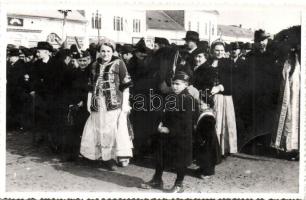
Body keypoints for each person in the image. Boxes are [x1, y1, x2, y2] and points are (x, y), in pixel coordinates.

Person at [80, 42, 133, 170]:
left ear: (113, 52)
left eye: (108, 51)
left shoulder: (119, 63)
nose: (105, 54)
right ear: (99, 52)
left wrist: (125, 104)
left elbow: (126, 85)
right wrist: (89, 101)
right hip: (97, 102)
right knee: (97, 127)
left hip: (113, 103)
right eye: (103, 51)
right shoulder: (94, 65)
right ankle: (97, 155)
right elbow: (90, 85)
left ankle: (110, 158)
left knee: (111, 130)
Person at [140, 71, 195, 193]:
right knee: (160, 156)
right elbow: (164, 113)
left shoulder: (188, 99)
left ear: (186, 84)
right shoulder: (171, 96)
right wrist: (161, 123)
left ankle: (179, 184)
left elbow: (186, 122)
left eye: (178, 84)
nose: (174, 86)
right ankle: (157, 179)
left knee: (180, 160)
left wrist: (170, 129)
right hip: (166, 134)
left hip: (181, 136)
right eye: (173, 83)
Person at [240, 29, 281, 154]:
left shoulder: (274, 55)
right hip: (254, 94)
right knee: (254, 119)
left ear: (267, 40)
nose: (262, 43)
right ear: (255, 42)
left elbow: (276, 76)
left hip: (269, 94)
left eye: (264, 40)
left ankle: (266, 145)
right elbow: (246, 76)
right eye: (259, 41)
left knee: (268, 119)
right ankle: (252, 145)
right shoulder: (250, 56)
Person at [197, 40, 237, 157]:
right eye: (217, 50)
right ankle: (212, 149)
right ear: (212, 51)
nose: (219, 53)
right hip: (209, 98)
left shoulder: (228, 64)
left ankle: (222, 149)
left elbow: (234, 82)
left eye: (222, 50)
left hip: (224, 98)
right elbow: (199, 81)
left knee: (223, 123)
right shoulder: (206, 64)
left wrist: (220, 87)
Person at [31, 42, 63, 152]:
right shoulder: (36, 64)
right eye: (37, 51)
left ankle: (55, 143)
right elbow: (34, 80)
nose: (37, 53)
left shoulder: (58, 64)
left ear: (46, 52)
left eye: (39, 51)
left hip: (55, 96)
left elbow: (61, 81)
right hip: (42, 96)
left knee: (54, 119)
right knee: (42, 118)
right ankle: (44, 139)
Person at [62, 50, 90, 161]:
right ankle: (74, 153)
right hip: (74, 104)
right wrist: (71, 102)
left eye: (84, 60)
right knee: (73, 129)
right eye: (80, 60)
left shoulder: (92, 73)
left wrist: (83, 101)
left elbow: (91, 90)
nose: (82, 63)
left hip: (87, 105)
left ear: (88, 60)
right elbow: (68, 88)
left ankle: (87, 154)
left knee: (86, 130)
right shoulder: (72, 72)